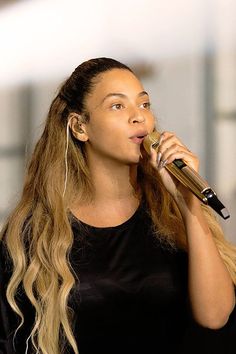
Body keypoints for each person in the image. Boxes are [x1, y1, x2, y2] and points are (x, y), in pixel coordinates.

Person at [0, 57, 236, 354]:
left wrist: (187, 200)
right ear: (79, 127)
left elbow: (215, 316)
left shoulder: (172, 214)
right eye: (117, 106)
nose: (139, 117)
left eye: (144, 104)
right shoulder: (36, 231)